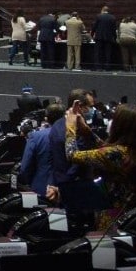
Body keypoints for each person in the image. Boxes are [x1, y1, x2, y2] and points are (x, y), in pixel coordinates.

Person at [49, 103, 136, 232]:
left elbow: (72, 155)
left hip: (114, 219)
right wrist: (87, 131)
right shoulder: (135, 151)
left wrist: (70, 127)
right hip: (134, 216)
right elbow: (105, 150)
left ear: (119, 126)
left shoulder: (117, 154)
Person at [47, 88, 104, 221]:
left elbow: (52, 158)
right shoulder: (77, 129)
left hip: (60, 185)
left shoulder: (56, 124)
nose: (93, 109)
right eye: (90, 106)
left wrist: (54, 184)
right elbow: (78, 160)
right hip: (78, 188)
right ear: (79, 106)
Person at [17, 102, 65, 196]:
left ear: (46, 119)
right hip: (68, 188)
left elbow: (25, 167)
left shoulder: (36, 136)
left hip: (41, 188)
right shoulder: (73, 135)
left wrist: (29, 182)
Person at [93, 5, 118, 71]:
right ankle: (107, 67)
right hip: (109, 38)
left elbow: (94, 27)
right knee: (108, 53)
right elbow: (114, 29)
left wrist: (92, 34)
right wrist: (115, 38)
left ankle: (98, 67)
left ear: (102, 10)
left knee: (98, 53)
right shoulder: (112, 18)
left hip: (99, 38)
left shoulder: (98, 16)